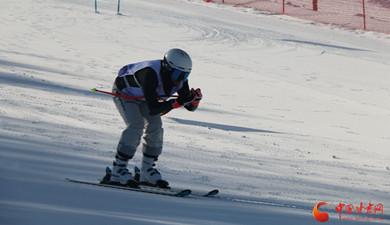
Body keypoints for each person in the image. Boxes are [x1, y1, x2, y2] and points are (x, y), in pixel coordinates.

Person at [101, 48, 202, 188]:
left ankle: (146, 171)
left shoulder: (179, 79)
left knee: (156, 128)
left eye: (185, 76)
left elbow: (189, 106)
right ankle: (118, 170)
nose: (179, 79)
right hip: (126, 94)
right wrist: (176, 103)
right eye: (178, 74)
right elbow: (154, 108)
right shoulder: (150, 74)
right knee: (135, 126)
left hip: (145, 99)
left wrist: (194, 100)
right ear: (167, 67)